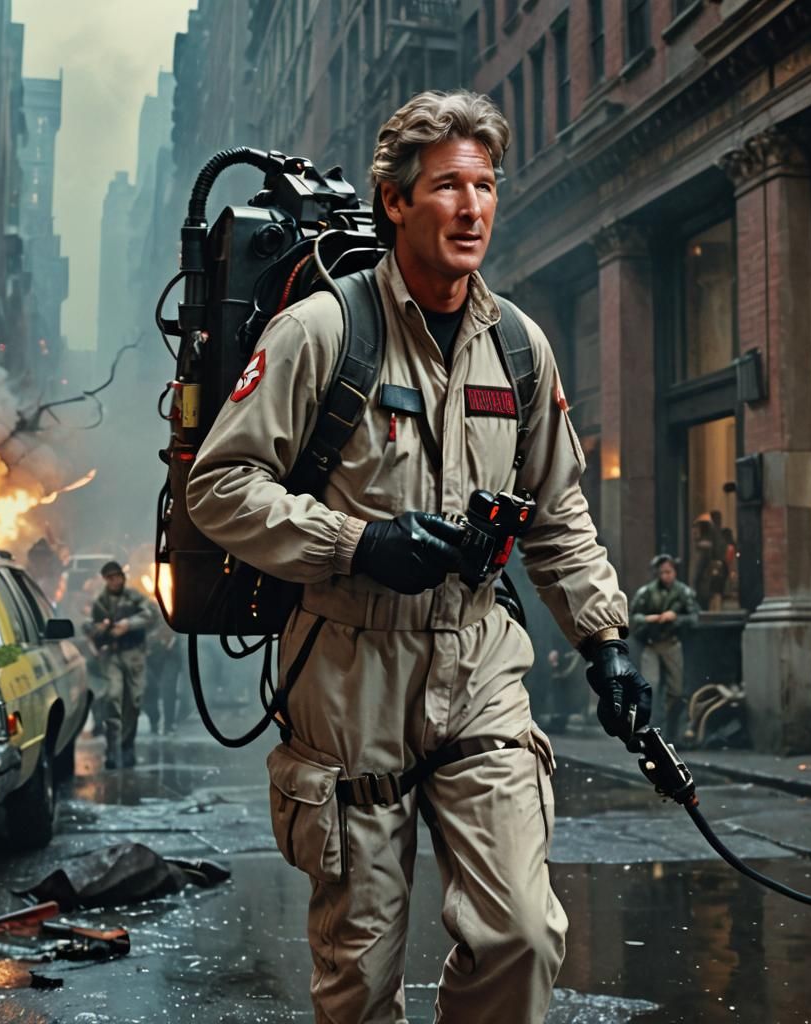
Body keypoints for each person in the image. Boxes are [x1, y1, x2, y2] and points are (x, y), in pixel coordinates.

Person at [186, 90, 650, 1024]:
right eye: (447, 187)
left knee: (519, 932)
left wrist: (606, 640)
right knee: (358, 981)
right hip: (350, 667)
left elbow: (558, 510)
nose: (473, 207)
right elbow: (219, 486)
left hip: (479, 658)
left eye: (484, 185)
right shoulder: (323, 332)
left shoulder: (519, 347)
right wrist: (359, 542)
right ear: (395, 202)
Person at [86, 560, 154, 769]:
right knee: (113, 696)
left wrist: (128, 624)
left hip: (133, 653)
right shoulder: (101, 602)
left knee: (133, 701)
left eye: (118, 576)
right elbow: (93, 629)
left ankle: (127, 745)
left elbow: (149, 614)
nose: (115, 581)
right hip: (113, 655)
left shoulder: (133, 597)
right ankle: (112, 747)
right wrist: (103, 628)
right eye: (110, 577)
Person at [629, 554, 700, 737]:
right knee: (649, 687)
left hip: (671, 643)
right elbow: (632, 616)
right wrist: (647, 619)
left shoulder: (683, 592)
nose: (666, 576)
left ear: (675, 572)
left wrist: (676, 618)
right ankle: (649, 728)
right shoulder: (646, 592)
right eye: (662, 572)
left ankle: (671, 729)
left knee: (676, 690)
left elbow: (694, 617)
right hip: (652, 644)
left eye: (669, 572)